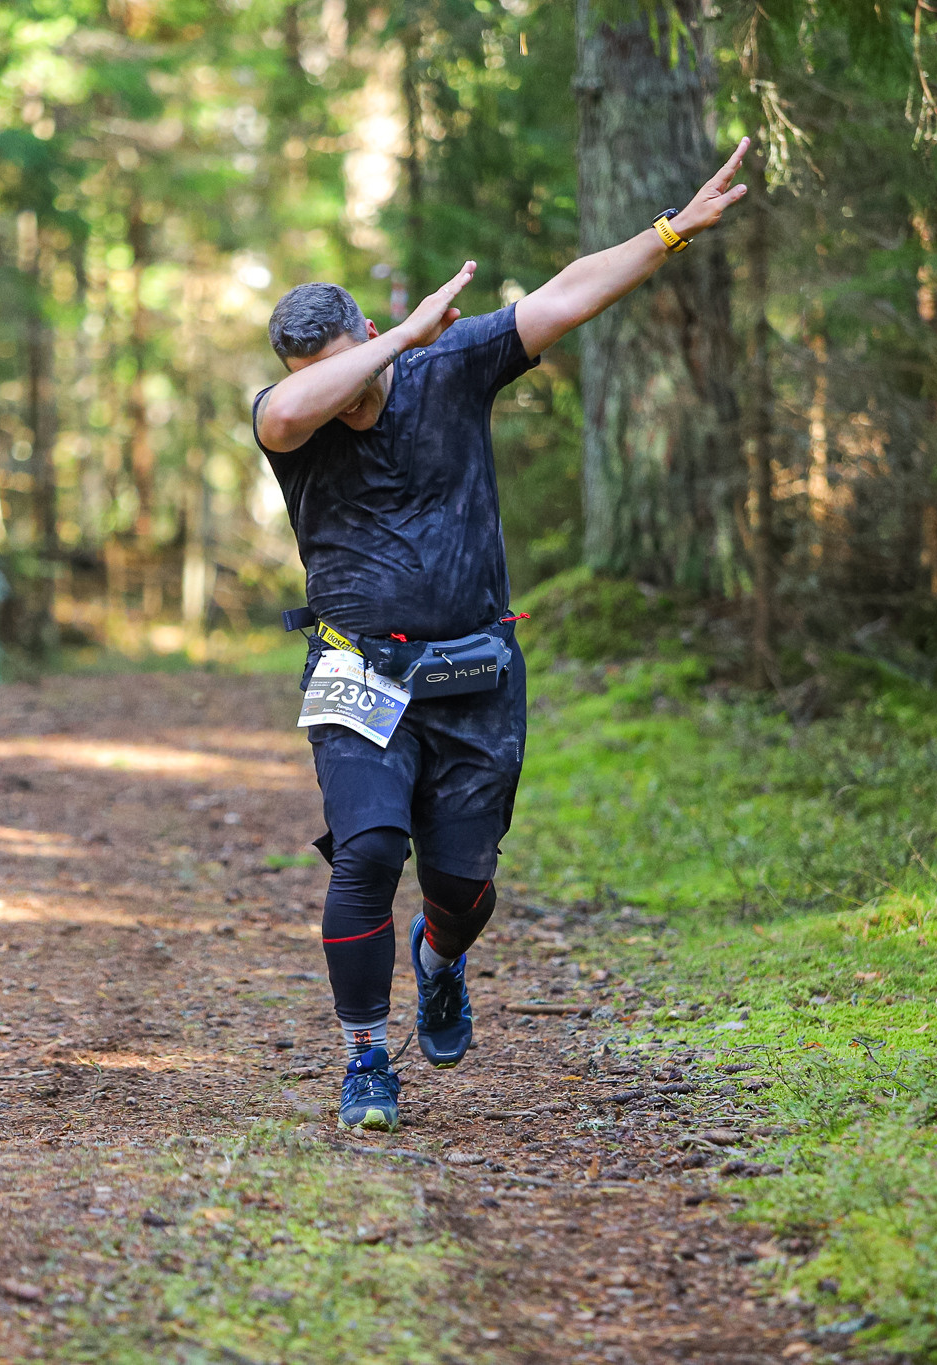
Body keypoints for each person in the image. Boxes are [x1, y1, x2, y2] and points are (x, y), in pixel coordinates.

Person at [255, 138, 753, 1132]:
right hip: (358, 673)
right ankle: (362, 1062)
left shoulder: (451, 367)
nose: (343, 389)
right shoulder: (292, 414)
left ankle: (439, 961)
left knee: (461, 882)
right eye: (332, 372)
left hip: (475, 669)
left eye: (352, 359)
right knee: (367, 853)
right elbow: (288, 410)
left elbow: (566, 294)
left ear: (356, 326)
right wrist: (391, 340)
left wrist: (664, 234)